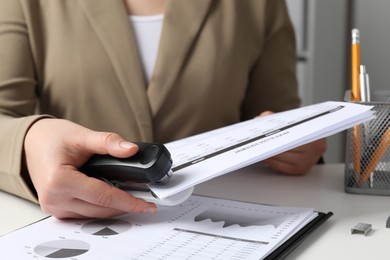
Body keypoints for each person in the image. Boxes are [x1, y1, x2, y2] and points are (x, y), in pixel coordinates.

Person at [0, 0, 326, 219]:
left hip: (218, 224)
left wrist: (298, 145)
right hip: (74, 227)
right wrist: (29, 140)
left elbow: (280, 117)